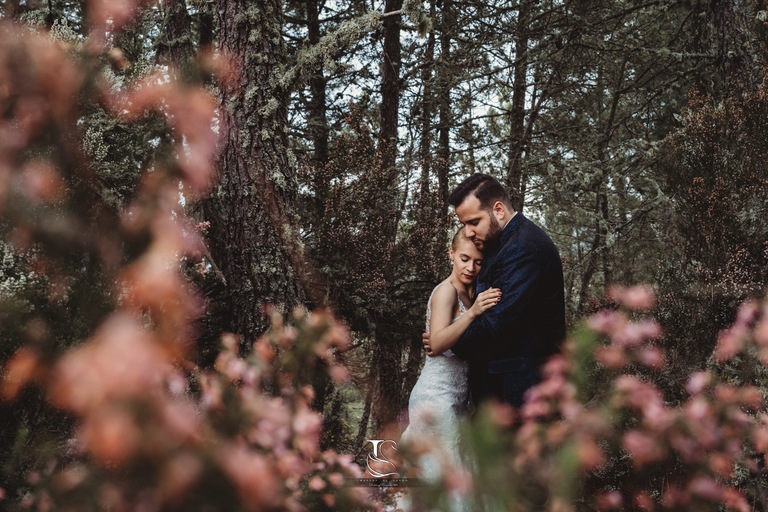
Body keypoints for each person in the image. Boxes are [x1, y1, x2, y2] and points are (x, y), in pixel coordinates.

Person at [423, 173, 566, 409]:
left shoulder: (523, 248)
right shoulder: (500, 243)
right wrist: (444, 332)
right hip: (503, 389)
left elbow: (493, 324)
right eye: (463, 224)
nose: (467, 232)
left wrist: (447, 340)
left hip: (522, 390)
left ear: (498, 210)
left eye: (473, 222)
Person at [396, 229, 500, 509]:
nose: (470, 267)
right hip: (435, 397)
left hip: (457, 399)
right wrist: (475, 313)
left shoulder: (472, 292)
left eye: (478, 261)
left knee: (458, 472)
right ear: (451, 254)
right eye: (464, 258)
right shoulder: (446, 291)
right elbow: (438, 344)